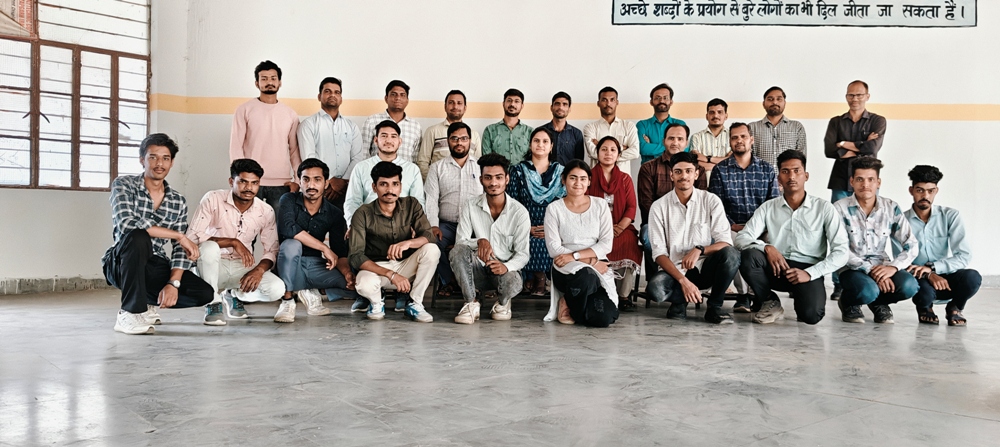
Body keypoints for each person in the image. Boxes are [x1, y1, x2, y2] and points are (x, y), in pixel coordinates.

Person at [102, 133, 213, 334]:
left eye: (165, 158)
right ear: (142, 160)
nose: (159, 164)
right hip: (121, 262)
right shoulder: (124, 185)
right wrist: (179, 235)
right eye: (152, 157)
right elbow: (127, 224)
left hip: (154, 264)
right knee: (138, 237)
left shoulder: (177, 201)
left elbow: (180, 250)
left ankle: (146, 303)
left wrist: (173, 283)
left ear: (171, 163)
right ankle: (129, 312)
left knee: (204, 293)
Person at [735, 150, 849, 325]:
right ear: (779, 178)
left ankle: (802, 298)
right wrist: (766, 247)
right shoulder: (768, 207)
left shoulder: (824, 208)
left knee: (811, 316)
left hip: (807, 269)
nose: (791, 176)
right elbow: (742, 238)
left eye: (797, 171)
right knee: (749, 256)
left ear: (806, 176)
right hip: (777, 266)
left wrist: (810, 273)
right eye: (785, 171)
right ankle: (769, 300)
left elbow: (841, 252)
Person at [187, 159, 286, 325]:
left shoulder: (265, 210)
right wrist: (233, 242)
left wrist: (259, 270)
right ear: (231, 181)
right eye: (243, 182)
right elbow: (193, 236)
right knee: (209, 248)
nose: (249, 188)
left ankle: (235, 294)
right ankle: (213, 303)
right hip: (213, 266)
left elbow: (272, 250)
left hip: (242, 267)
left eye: (254, 183)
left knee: (277, 289)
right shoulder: (213, 199)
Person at [645, 152, 741, 324]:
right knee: (655, 288)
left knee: (732, 254)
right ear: (671, 175)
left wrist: (700, 250)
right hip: (675, 270)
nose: (684, 176)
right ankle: (680, 301)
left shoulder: (711, 200)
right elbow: (659, 254)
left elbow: (725, 241)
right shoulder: (659, 207)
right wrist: (683, 281)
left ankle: (714, 308)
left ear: (696, 174)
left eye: (689, 171)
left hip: (704, 267)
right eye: (678, 171)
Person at [349, 162, 440, 322]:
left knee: (432, 250)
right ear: (374, 187)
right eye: (383, 184)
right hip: (377, 269)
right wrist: (391, 274)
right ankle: (376, 303)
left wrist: (407, 243)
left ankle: (415, 303)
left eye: (395, 184)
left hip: (406, 265)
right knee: (363, 283)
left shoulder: (411, 204)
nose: (390, 190)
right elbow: (356, 256)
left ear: (400, 186)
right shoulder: (362, 213)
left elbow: (428, 235)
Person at [833, 156, 919, 324]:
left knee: (910, 286)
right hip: (851, 268)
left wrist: (893, 267)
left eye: (871, 179)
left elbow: (912, 244)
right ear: (852, 182)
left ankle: (879, 302)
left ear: (878, 182)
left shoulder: (891, 207)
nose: (865, 185)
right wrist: (870, 270)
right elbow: (839, 249)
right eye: (860, 179)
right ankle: (848, 301)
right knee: (867, 291)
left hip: (882, 265)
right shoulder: (839, 208)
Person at [824, 80, 887, 300]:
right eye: (851, 95)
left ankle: (870, 274)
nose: (855, 99)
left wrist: (844, 144)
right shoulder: (836, 121)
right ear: (846, 96)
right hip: (841, 181)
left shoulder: (878, 120)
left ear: (867, 96)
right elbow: (829, 150)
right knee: (837, 231)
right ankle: (839, 282)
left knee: (869, 230)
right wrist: (860, 145)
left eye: (859, 95)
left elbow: (873, 148)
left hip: (867, 181)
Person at [276, 158, 360, 322]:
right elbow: (288, 229)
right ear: (300, 182)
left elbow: (339, 251)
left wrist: (347, 274)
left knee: (358, 286)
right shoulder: (288, 200)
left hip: (316, 267)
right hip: (290, 265)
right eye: (306, 179)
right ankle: (287, 300)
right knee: (291, 244)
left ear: (326, 183)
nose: (311, 185)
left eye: (317, 179)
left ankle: (313, 291)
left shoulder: (334, 213)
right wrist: (324, 248)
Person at [896, 165, 981, 326]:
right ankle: (925, 308)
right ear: (911, 190)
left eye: (930, 191)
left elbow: (964, 255)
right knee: (919, 289)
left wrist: (934, 268)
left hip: (946, 275)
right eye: (920, 190)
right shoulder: (901, 221)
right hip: (919, 278)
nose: (925, 196)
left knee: (972, 277)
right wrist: (928, 275)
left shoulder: (950, 216)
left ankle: (955, 307)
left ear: (936, 191)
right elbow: (900, 260)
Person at [450, 154, 531, 324]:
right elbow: (461, 241)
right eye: (488, 177)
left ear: (507, 179)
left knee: (514, 281)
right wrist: (480, 241)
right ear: (481, 180)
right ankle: (471, 303)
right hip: (476, 269)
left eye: (498, 177)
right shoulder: (470, 205)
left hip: (503, 271)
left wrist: (505, 266)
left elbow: (523, 255)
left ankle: (502, 303)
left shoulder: (519, 212)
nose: (493, 183)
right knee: (457, 251)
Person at [708, 122, 779, 312]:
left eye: (743, 136)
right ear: (730, 142)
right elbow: (716, 206)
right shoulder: (720, 170)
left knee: (773, 242)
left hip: (762, 228)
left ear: (751, 140)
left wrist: (758, 227)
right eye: (734, 137)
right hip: (731, 227)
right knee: (733, 245)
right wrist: (732, 226)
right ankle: (743, 295)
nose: (739, 140)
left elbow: (773, 204)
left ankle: (761, 293)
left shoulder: (766, 169)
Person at [545, 160, 620, 328]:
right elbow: (554, 248)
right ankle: (573, 304)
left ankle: (569, 301)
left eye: (583, 178)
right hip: (565, 268)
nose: (578, 183)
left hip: (596, 266)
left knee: (604, 318)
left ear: (589, 181)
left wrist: (576, 256)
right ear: (563, 180)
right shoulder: (554, 208)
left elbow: (606, 244)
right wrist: (589, 262)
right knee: (586, 276)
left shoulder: (600, 205)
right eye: (573, 178)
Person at [229, 60, 301, 207]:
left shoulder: (290, 114)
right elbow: (236, 146)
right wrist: (240, 178)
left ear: (280, 82)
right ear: (257, 83)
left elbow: (294, 150)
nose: (269, 82)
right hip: (251, 181)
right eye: (264, 78)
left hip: (282, 183)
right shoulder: (244, 110)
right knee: (249, 221)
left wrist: (297, 181)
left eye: (273, 78)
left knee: (280, 222)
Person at [425, 122, 483, 299]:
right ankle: (450, 280)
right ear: (448, 141)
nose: (459, 143)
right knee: (431, 243)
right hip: (447, 225)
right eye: (454, 138)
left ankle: (477, 283)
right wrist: (433, 225)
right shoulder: (437, 168)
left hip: (474, 225)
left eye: (464, 139)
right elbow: (431, 199)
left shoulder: (481, 167)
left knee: (489, 241)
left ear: (470, 141)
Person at [508, 127, 566, 296]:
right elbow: (512, 204)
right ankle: (536, 277)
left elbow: (566, 205)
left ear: (551, 146)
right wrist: (527, 228)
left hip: (554, 227)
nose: (540, 144)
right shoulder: (518, 171)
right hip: (524, 225)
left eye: (545, 141)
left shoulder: (562, 173)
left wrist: (552, 229)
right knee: (530, 241)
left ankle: (541, 279)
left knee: (548, 242)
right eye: (536, 141)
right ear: (530, 144)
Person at [587, 136, 642, 312]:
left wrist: (620, 227)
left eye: (613, 150)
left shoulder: (625, 179)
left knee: (629, 242)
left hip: (621, 227)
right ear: (597, 153)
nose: (608, 153)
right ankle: (601, 291)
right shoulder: (588, 177)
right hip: (595, 228)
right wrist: (605, 228)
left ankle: (623, 295)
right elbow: (584, 204)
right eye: (604, 149)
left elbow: (631, 207)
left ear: (618, 155)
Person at [297, 77, 366, 208]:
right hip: (319, 190)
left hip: (346, 190)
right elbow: (309, 158)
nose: (332, 95)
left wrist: (342, 181)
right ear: (319, 96)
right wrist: (329, 181)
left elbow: (357, 157)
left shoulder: (351, 127)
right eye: (327, 91)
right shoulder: (308, 125)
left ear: (341, 98)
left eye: (337, 92)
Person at [637, 123, 707, 250]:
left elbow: (700, 204)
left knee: (709, 238)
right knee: (647, 236)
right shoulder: (648, 168)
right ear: (664, 141)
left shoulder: (698, 170)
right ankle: (659, 264)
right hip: (657, 223)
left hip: (691, 224)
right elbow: (646, 205)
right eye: (671, 138)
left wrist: (682, 226)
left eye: (680, 139)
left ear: (686, 143)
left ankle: (693, 264)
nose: (675, 143)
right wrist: (672, 227)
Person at [343, 119, 425, 226]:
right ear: (376, 140)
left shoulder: (412, 169)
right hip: (369, 225)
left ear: (400, 141)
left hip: (402, 226)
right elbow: (353, 202)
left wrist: (415, 226)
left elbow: (418, 202)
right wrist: (354, 226)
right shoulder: (361, 168)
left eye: (393, 136)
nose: (389, 140)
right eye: (384, 136)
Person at [416, 89, 482, 179]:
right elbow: (423, 162)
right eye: (451, 102)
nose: (455, 106)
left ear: (465, 108)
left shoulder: (474, 134)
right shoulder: (432, 131)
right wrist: (433, 182)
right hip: (439, 184)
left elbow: (479, 164)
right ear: (445, 107)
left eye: (459, 103)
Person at [361, 80, 422, 162]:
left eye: (402, 95)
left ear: (407, 100)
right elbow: (364, 153)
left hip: (405, 170)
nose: (398, 98)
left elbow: (416, 157)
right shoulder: (372, 121)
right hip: (377, 170)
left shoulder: (415, 126)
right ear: (386, 98)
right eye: (393, 94)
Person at [748, 86, 806, 168]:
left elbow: (801, 160)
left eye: (779, 99)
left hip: (787, 176)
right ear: (763, 104)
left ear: (784, 103)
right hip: (760, 175)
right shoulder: (752, 128)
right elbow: (746, 157)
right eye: (770, 99)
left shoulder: (796, 127)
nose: (775, 102)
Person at [583, 86, 640, 170]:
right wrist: (621, 148)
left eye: (612, 100)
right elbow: (592, 153)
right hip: (597, 177)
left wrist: (601, 148)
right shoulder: (590, 127)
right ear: (598, 103)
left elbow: (635, 153)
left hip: (622, 177)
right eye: (604, 100)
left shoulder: (629, 126)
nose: (608, 104)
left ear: (617, 102)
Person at [636, 83, 687, 164]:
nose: (662, 101)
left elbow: (685, 149)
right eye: (657, 98)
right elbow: (642, 148)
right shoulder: (642, 125)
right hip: (649, 169)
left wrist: (651, 145)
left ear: (671, 102)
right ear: (651, 102)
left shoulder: (680, 124)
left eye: (665, 98)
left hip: (674, 168)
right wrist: (673, 148)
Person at [481, 88, 534, 165]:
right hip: (497, 172)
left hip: (523, 173)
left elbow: (534, 159)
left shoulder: (530, 132)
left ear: (522, 106)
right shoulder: (490, 130)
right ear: (503, 104)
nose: (512, 104)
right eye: (509, 100)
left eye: (516, 101)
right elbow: (486, 160)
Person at [539, 91, 585, 166]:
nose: (560, 107)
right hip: (545, 173)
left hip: (568, 173)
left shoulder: (576, 133)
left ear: (569, 109)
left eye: (565, 104)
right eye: (557, 104)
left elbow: (579, 162)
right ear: (551, 108)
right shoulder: (540, 131)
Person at [690, 98, 732, 175]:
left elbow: (733, 161)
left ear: (726, 116)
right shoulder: (696, 137)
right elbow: (696, 163)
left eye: (720, 112)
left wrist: (707, 159)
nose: (715, 115)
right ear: (707, 116)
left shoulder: (733, 136)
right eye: (712, 112)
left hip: (728, 179)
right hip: (703, 180)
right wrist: (725, 160)